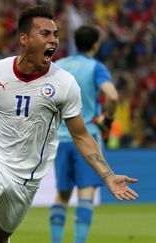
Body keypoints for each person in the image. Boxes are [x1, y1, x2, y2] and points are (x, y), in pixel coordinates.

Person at [0, 5, 138, 243]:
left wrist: (107, 176)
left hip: (28, 175)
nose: (53, 40)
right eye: (45, 34)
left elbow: (81, 136)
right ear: (24, 39)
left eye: (55, 34)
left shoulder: (64, 84)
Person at [49, 25, 119, 243]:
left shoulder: (58, 66)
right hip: (86, 136)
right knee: (85, 194)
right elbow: (113, 96)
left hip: (59, 138)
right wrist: (107, 120)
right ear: (96, 44)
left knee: (62, 195)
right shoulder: (95, 67)